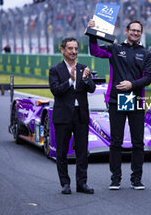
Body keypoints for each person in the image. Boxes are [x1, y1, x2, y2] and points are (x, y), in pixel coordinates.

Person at [87, 19, 151, 190]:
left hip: (136, 100)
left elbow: (148, 78)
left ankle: (136, 179)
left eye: (139, 31)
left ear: (141, 33)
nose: (135, 33)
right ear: (126, 30)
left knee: (138, 142)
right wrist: (92, 33)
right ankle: (115, 178)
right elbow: (94, 51)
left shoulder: (146, 53)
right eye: (133, 30)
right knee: (116, 141)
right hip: (117, 100)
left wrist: (132, 85)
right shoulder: (115, 49)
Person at [49, 37, 96, 194]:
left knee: (82, 151)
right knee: (62, 151)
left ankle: (81, 183)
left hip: (81, 115)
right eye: (70, 48)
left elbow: (92, 89)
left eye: (76, 48)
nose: (74, 51)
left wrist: (86, 79)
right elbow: (55, 90)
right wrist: (71, 80)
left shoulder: (84, 68)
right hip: (63, 116)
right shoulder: (55, 70)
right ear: (62, 50)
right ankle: (65, 183)